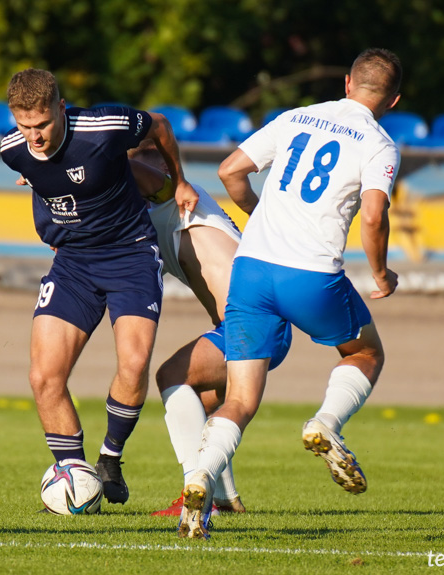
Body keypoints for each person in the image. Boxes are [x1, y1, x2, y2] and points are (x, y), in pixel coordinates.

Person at [179, 48, 403, 539]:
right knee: (364, 352)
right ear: (394, 100)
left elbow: (229, 171)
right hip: (311, 275)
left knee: (239, 399)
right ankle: (326, 422)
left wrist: (258, 216)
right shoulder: (380, 143)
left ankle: (199, 478)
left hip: (252, 271)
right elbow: (372, 215)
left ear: (347, 82)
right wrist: (381, 273)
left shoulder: (297, 116)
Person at [0, 69, 198, 506]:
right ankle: (74, 477)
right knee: (43, 377)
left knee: (133, 363)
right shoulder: (13, 151)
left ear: (61, 107)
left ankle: (110, 458)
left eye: (43, 125)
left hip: (130, 256)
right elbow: (47, 178)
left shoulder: (104, 127)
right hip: (73, 266)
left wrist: (179, 181)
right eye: (24, 126)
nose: (34, 136)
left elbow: (161, 124)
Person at [127, 142, 291, 517]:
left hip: (254, 318)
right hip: (255, 319)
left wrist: (62, 163)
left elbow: (128, 170)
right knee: (203, 406)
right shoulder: (161, 218)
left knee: (173, 376)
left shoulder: (173, 198)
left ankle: (194, 499)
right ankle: (223, 499)